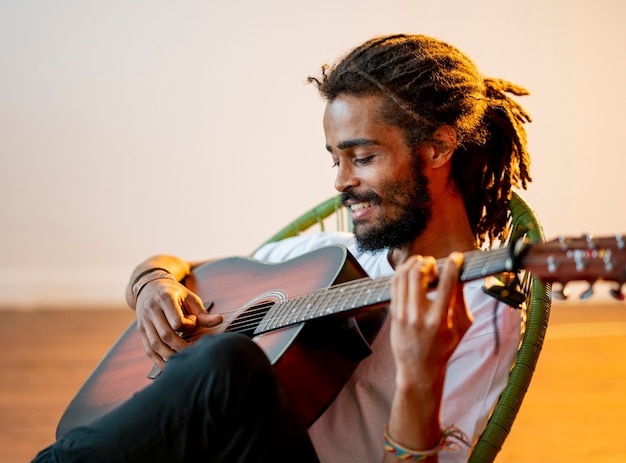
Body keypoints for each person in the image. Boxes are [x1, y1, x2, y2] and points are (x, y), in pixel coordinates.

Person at [34, 33, 532, 463]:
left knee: (227, 365)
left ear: (438, 147)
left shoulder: (482, 312)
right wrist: (153, 286)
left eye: (362, 156)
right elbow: (180, 267)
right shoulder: (329, 257)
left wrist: (421, 372)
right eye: (335, 159)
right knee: (221, 363)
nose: (340, 181)